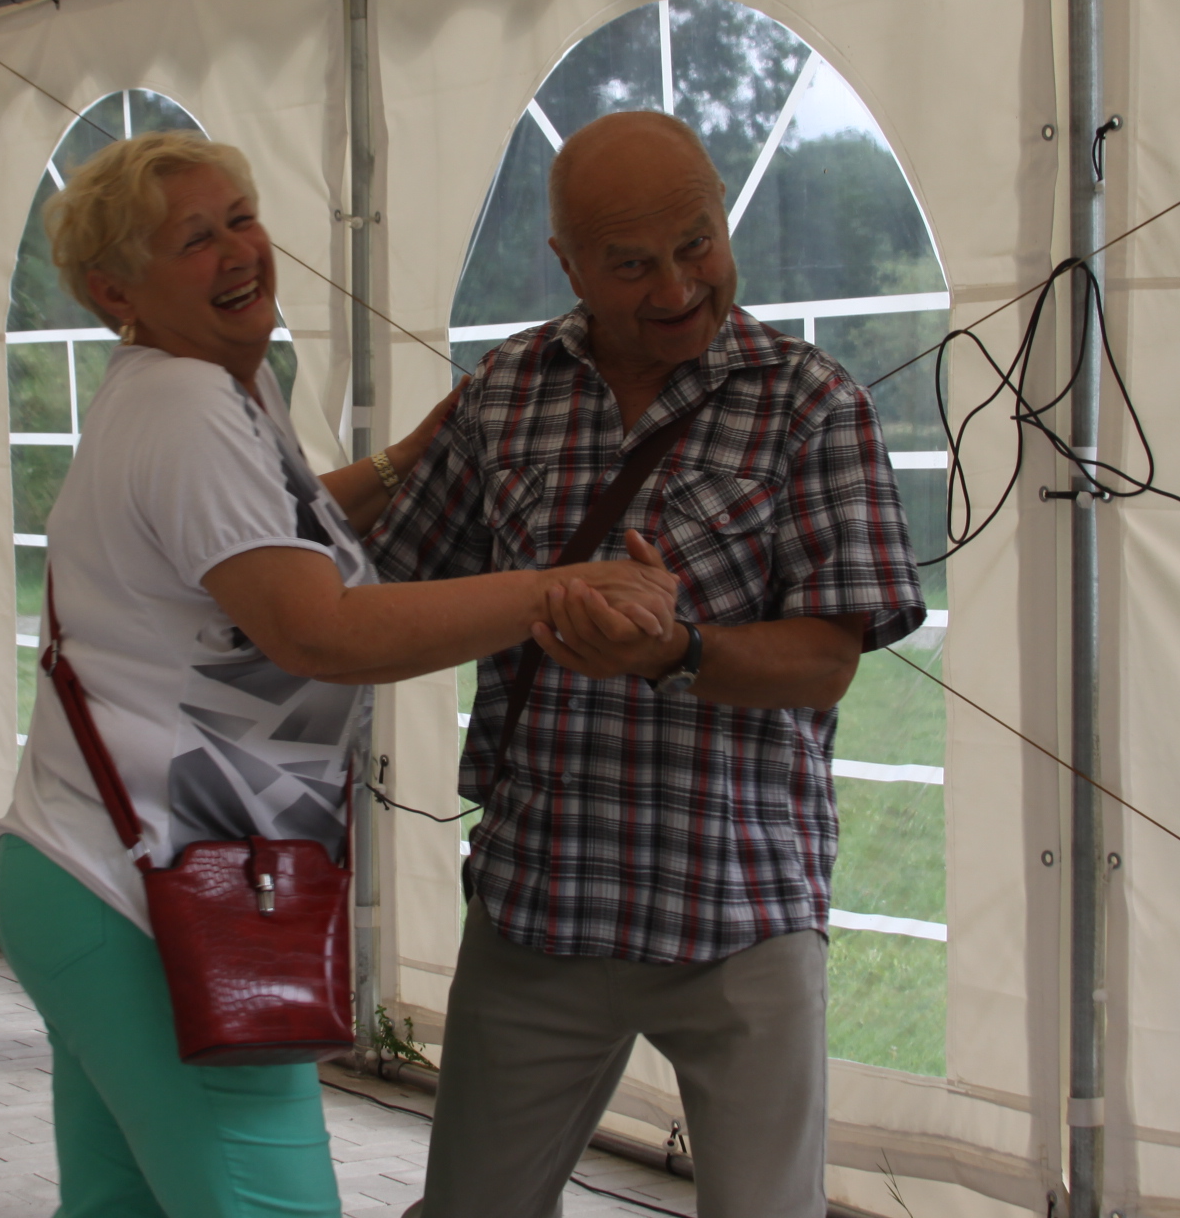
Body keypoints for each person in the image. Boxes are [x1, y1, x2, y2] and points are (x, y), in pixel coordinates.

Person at [0, 130, 680, 1218]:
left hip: (90, 873)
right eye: (194, 239)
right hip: (156, 899)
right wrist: (556, 589)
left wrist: (406, 458)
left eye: (242, 219)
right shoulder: (186, 408)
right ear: (114, 290)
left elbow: (270, 528)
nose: (238, 252)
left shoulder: (202, 384)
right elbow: (319, 628)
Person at [373, 111, 928, 1218]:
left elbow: (826, 661)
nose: (677, 287)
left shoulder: (814, 403)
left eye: (697, 243)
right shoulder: (507, 389)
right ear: (568, 264)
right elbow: (395, 585)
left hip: (739, 907)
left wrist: (678, 651)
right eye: (631, 265)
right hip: (541, 901)